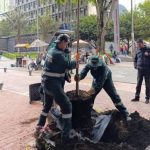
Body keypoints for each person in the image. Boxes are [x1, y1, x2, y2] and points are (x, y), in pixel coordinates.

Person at [35, 34, 77, 143]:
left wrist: (66, 53)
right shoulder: (58, 54)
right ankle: (66, 137)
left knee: (47, 106)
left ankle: (39, 126)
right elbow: (69, 65)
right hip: (53, 85)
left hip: (46, 84)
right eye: (66, 43)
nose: (66, 45)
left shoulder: (51, 50)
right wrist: (76, 60)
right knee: (67, 106)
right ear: (62, 42)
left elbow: (61, 61)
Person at [75, 55, 131, 121]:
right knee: (91, 97)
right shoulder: (89, 64)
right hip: (96, 78)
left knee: (114, 95)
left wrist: (89, 92)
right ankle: (87, 112)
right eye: (93, 66)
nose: (94, 67)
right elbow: (84, 71)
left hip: (106, 79)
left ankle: (125, 113)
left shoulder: (103, 68)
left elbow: (99, 85)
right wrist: (79, 77)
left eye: (96, 66)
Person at [131, 39, 150, 104]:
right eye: (137, 44)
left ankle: (147, 98)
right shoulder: (138, 50)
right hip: (140, 70)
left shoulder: (148, 49)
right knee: (138, 84)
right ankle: (137, 97)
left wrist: (148, 54)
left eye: (139, 44)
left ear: (142, 43)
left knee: (147, 85)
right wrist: (135, 66)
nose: (138, 45)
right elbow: (135, 59)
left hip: (147, 70)